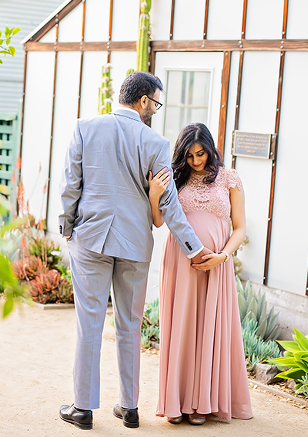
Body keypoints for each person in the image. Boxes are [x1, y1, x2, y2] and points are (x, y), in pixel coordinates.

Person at [57, 72, 214, 430]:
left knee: (90, 324)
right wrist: (194, 248)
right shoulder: (155, 142)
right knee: (130, 325)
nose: (155, 110)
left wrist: (67, 227)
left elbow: (70, 185)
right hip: (134, 245)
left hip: (91, 239)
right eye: (155, 103)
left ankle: (82, 409)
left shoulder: (85, 127)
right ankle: (129, 407)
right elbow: (170, 206)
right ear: (143, 101)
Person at [149, 123, 253, 425]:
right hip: (180, 264)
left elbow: (240, 228)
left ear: (210, 149)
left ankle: (202, 405)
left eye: (201, 154)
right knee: (181, 327)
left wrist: (223, 256)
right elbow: (158, 222)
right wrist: (155, 194)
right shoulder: (173, 177)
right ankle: (176, 403)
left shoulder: (229, 178)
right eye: (190, 155)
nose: (196, 161)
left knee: (210, 328)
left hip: (216, 266)